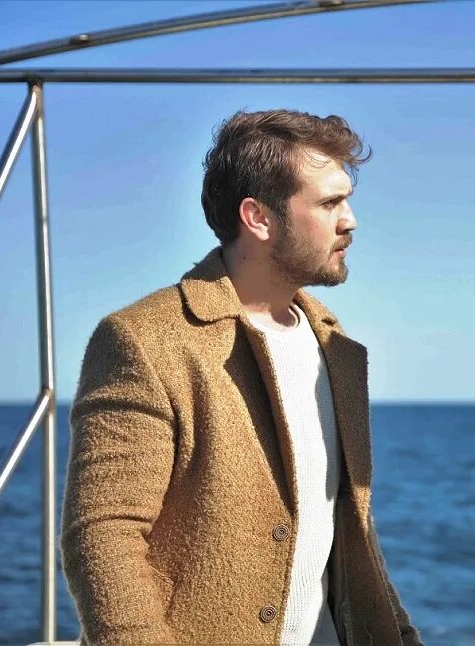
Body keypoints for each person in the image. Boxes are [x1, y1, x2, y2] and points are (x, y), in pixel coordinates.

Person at [61, 109, 420, 645]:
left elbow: (349, 533)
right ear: (258, 218)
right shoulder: (145, 340)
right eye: (329, 203)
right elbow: (103, 535)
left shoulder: (334, 343)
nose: (351, 220)